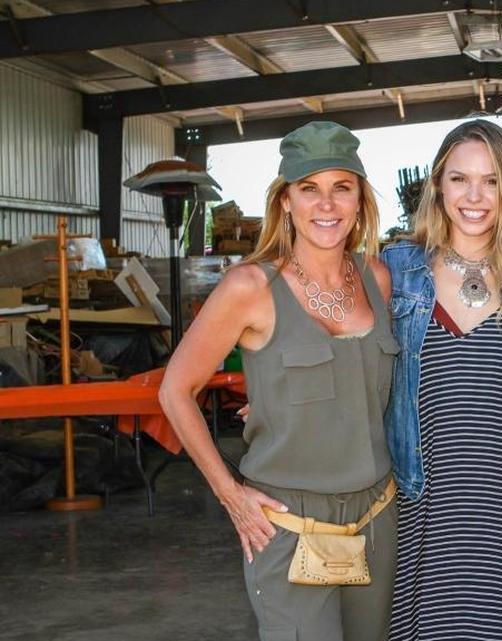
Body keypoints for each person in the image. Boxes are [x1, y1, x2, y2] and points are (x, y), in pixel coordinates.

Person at [158, 121, 397, 641]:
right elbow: (175, 391)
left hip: (377, 517)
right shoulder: (250, 286)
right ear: (286, 201)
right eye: (309, 188)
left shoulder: (376, 279)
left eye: (341, 187)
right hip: (288, 525)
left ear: (360, 199)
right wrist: (230, 494)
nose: (326, 204)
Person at [382, 120, 502, 641]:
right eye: (460, 179)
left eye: (491, 181)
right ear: (439, 185)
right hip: (426, 497)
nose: (475, 196)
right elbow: (336, 332)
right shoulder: (396, 270)